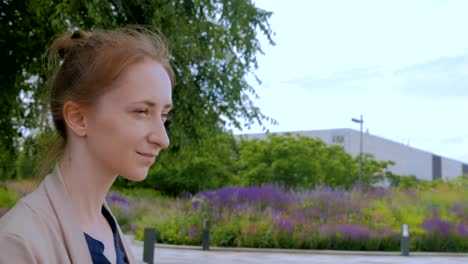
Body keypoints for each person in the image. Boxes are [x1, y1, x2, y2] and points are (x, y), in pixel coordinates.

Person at [0, 26, 174, 263]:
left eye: (164, 115)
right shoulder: (19, 243)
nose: (163, 139)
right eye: (142, 111)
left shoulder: (110, 233)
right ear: (78, 118)